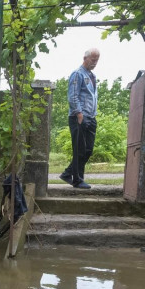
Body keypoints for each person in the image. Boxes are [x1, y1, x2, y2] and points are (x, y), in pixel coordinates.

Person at [60, 48, 100, 189]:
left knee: (88, 150)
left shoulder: (92, 76)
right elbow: (73, 95)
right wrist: (79, 113)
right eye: (92, 60)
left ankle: (67, 174)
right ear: (85, 58)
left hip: (91, 117)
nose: (95, 63)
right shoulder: (77, 74)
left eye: (97, 60)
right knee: (80, 150)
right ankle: (77, 180)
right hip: (79, 117)